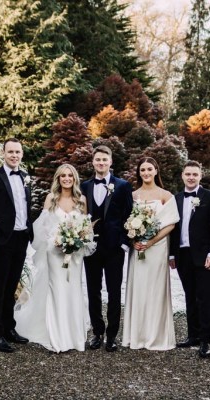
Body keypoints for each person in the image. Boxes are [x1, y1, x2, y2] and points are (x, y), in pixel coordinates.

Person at [14, 164, 94, 352]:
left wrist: (78, 241)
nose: (66, 179)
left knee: (73, 288)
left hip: (74, 254)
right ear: (58, 179)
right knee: (56, 288)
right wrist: (56, 241)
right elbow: (42, 227)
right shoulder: (51, 198)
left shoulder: (81, 200)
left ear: (74, 179)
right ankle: (56, 334)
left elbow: (87, 227)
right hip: (54, 251)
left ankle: (73, 333)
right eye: (63, 176)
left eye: (70, 176)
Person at [0, 138, 33, 353]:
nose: (14, 155)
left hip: (21, 238)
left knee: (12, 286)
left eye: (17, 152)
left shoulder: (26, 177)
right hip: (1, 239)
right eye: (10, 152)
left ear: (21, 154)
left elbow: (27, 207)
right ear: (3, 153)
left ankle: (10, 328)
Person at [122, 157, 179, 351]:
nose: (146, 173)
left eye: (149, 169)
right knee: (138, 288)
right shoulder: (132, 195)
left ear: (156, 170)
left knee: (155, 290)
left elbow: (171, 223)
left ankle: (156, 336)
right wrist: (134, 240)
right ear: (139, 173)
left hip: (157, 248)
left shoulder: (165, 195)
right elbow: (127, 222)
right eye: (142, 170)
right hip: (137, 249)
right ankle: (137, 336)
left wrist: (151, 241)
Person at [81, 145, 133, 352]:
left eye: (104, 160)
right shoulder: (84, 186)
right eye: (97, 160)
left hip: (114, 248)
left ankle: (112, 335)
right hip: (90, 247)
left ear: (111, 162)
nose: (101, 163)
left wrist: (122, 243)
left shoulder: (122, 185)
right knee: (93, 291)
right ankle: (97, 332)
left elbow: (128, 216)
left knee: (114, 291)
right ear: (93, 162)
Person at [169, 160, 210, 358]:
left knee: (205, 297)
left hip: (203, 256)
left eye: (195, 174)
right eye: (188, 174)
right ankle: (193, 335)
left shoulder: (209, 197)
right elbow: (173, 229)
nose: (191, 177)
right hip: (182, 255)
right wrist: (172, 254)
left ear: (200, 176)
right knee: (189, 295)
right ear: (182, 176)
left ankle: (206, 340)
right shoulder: (175, 198)